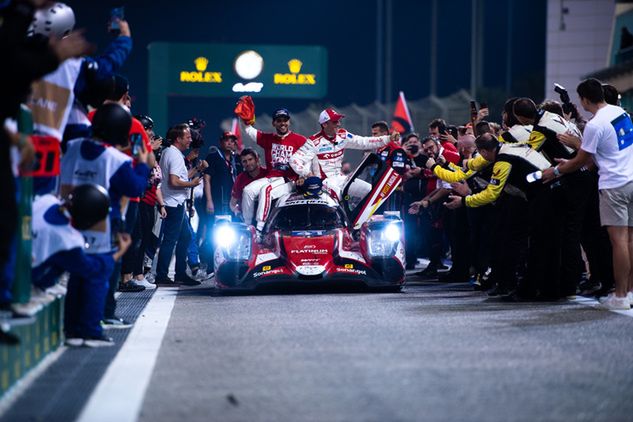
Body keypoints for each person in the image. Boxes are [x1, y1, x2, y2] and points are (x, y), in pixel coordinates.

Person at [542, 78, 633, 309]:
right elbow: (595, 156)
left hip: (614, 185)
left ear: (583, 99)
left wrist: (554, 170)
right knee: (630, 240)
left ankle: (620, 295)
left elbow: (581, 160)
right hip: (631, 179)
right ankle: (630, 291)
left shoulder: (595, 124)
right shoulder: (621, 113)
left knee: (619, 241)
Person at [59, 103, 150, 327]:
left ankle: (72, 327)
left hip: (69, 220)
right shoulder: (115, 160)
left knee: (77, 275)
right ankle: (93, 327)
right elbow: (135, 187)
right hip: (103, 225)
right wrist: (142, 165)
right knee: (100, 276)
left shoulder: (71, 146)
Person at [444, 133, 551, 298]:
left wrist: (465, 201)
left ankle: (525, 287)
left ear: (484, 152)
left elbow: (491, 194)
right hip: (548, 190)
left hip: (545, 195)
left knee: (523, 243)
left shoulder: (502, 160)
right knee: (531, 243)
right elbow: (472, 166)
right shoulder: (510, 146)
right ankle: (534, 286)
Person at [32, 184, 131, 347]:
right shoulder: (69, 241)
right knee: (96, 274)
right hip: (29, 277)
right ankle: (91, 332)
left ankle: (73, 330)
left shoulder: (46, 201)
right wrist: (119, 252)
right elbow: (95, 269)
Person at [289, 108, 399, 200]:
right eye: (335, 122)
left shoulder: (343, 135)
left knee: (370, 191)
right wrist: (307, 173)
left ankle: (361, 224)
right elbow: (294, 159)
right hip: (323, 182)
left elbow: (364, 142)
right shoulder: (313, 141)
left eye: (339, 121)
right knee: (340, 196)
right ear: (324, 124)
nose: (339, 124)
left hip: (341, 178)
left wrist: (388, 138)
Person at [240, 107, 306, 233]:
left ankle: (259, 229)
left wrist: (304, 176)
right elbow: (248, 129)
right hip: (271, 177)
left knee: (266, 191)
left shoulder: (300, 140)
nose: (282, 123)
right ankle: (247, 227)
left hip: (289, 180)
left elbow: (309, 158)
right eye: (279, 120)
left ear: (289, 122)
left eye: (285, 120)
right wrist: (243, 113)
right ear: (274, 123)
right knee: (247, 190)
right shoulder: (268, 138)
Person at [155, 124, 206, 286]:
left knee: (185, 237)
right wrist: (192, 184)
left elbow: (180, 176)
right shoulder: (175, 155)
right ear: (178, 139)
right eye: (187, 137)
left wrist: (196, 169)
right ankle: (163, 275)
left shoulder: (169, 152)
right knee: (171, 240)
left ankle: (180, 274)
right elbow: (174, 181)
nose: (190, 140)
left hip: (173, 202)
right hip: (173, 203)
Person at [230, 149, 268, 218]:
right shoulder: (240, 178)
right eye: (244, 161)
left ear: (256, 159)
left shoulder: (267, 174)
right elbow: (232, 203)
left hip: (266, 217)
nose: (248, 163)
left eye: (250, 159)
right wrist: (237, 212)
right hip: (247, 219)